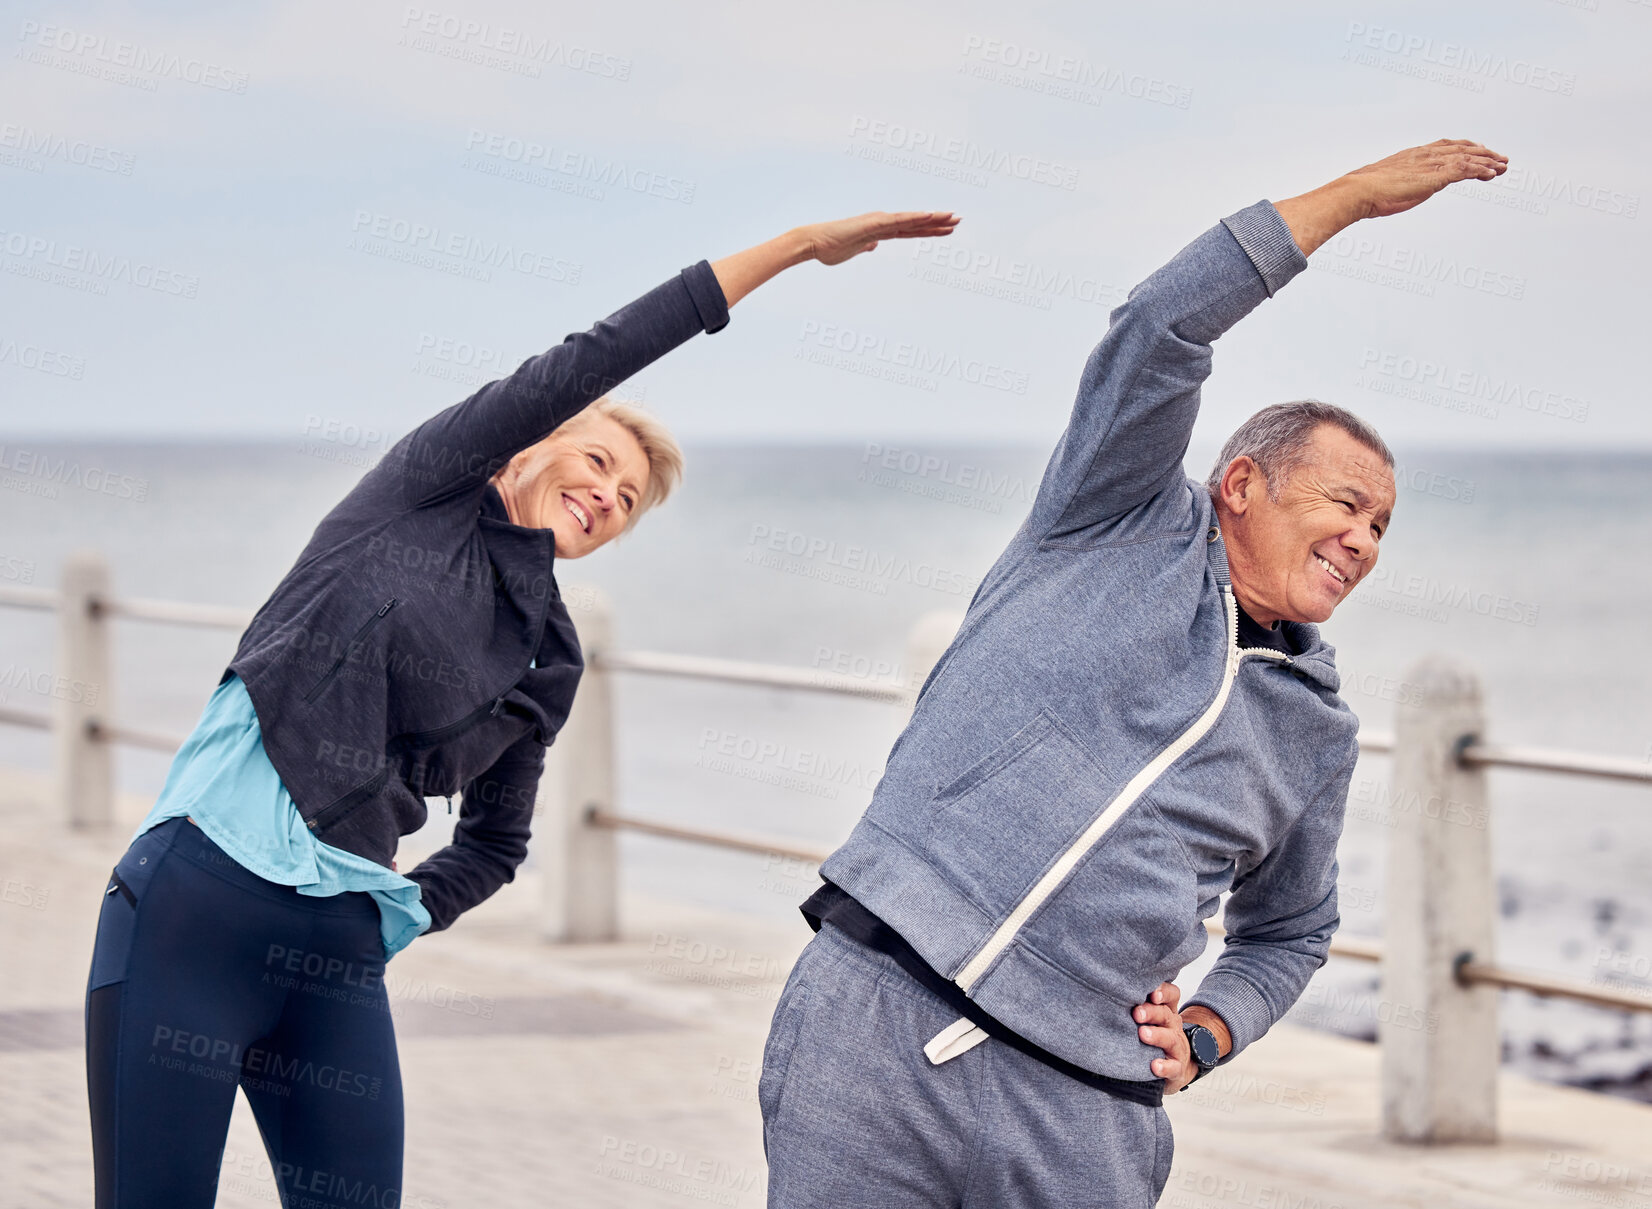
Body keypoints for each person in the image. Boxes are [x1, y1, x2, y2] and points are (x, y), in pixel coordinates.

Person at [82, 208, 959, 1208]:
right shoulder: (417, 498)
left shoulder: (547, 652)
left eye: (628, 499)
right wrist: (795, 250)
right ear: (533, 444)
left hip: (333, 963)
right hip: (195, 904)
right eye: (596, 463)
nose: (607, 496)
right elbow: (603, 351)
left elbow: (496, 845)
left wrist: (390, 919)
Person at [759, 140, 1508, 1208]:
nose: (1363, 541)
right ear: (1239, 483)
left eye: (1382, 526)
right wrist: (1344, 202)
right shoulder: (1108, 520)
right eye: (1345, 504)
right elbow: (1158, 325)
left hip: (1083, 1113)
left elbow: (1288, 930)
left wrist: (1207, 1030)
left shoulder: (1312, 727)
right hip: (875, 1024)